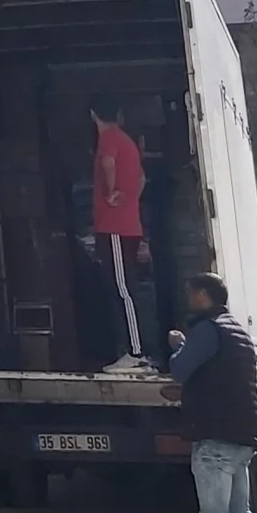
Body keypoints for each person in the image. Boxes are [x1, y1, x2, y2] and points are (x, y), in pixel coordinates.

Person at [166, 271, 257, 513]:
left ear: (204, 295)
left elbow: (180, 369)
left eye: (191, 293)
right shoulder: (237, 331)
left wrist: (179, 344)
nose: (188, 299)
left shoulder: (208, 330)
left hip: (215, 440)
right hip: (242, 437)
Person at [91, 103, 151, 366]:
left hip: (113, 226)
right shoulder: (129, 142)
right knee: (124, 286)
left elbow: (108, 162)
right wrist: (131, 201)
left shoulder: (108, 139)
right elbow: (141, 179)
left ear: (93, 115)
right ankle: (132, 351)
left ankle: (135, 353)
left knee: (122, 288)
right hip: (128, 224)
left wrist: (111, 191)